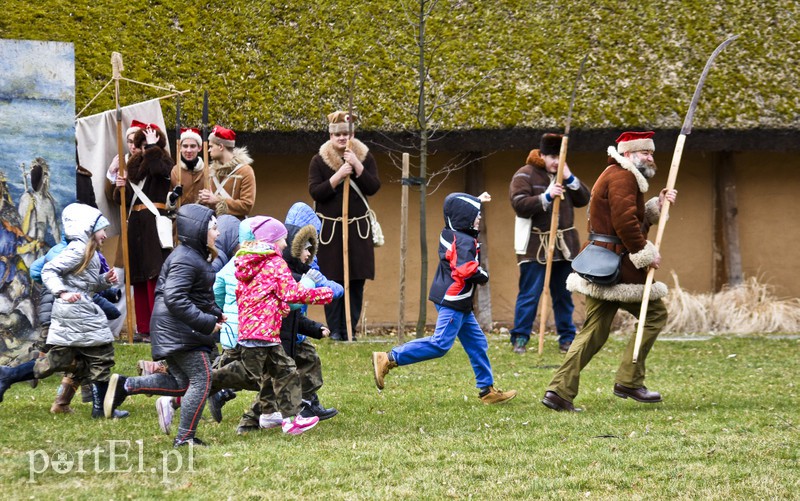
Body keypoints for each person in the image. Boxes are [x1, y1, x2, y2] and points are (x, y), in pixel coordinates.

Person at [542, 131, 677, 412]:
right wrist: (644, 253)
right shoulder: (623, 177)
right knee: (654, 314)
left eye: (651, 153)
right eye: (645, 153)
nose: (650, 158)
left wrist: (656, 205)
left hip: (603, 262)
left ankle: (559, 391)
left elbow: (628, 216)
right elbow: (624, 222)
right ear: (628, 154)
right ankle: (629, 381)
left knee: (594, 330)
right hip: (617, 264)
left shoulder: (619, 174)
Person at [371, 192, 517, 405]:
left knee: (477, 343)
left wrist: (476, 200)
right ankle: (389, 357)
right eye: (476, 215)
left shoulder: (450, 232)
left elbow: (455, 210)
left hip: (456, 300)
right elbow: (465, 268)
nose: (479, 218)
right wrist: (483, 275)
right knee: (440, 344)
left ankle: (487, 390)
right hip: (454, 299)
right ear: (465, 218)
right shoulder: (464, 241)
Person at [103, 204, 224, 447]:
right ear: (198, 230)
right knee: (202, 380)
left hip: (175, 330)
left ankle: (126, 385)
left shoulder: (191, 257)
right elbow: (175, 298)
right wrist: (205, 323)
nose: (217, 233)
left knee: (182, 384)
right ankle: (185, 438)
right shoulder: (186, 259)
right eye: (213, 227)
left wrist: (215, 314)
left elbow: (196, 296)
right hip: (181, 331)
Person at [0, 203, 129, 419]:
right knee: (101, 357)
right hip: (77, 315)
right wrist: (62, 292)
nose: (106, 235)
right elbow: (49, 270)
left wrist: (104, 280)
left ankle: (8, 375)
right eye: (102, 230)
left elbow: (85, 285)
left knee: (57, 360)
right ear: (87, 228)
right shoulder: (78, 250)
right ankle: (101, 410)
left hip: (75, 314)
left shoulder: (89, 253)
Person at [217, 216, 333, 435]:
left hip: (260, 332)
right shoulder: (275, 262)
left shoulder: (250, 262)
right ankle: (202, 384)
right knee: (247, 376)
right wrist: (325, 293)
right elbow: (292, 293)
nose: (286, 244)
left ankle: (286, 419)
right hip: (262, 334)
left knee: (286, 371)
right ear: (271, 240)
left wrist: (278, 308)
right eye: (282, 239)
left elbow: (256, 295)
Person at [508, 133, 590, 354]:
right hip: (535, 246)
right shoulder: (524, 174)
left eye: (560, 156)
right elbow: (519, 205)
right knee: (530, 294)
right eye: (552, 157)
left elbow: (584, 199)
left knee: (563, 294)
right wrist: (545, 196)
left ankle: (567, 338)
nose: (556, 161)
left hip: (564, 247)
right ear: (542, 155)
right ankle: (520, 338)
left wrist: (569, 177)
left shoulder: (564, 174)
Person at [308, 111, 381, 341]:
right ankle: (336, 330)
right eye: (337, 134)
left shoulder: (365, 157)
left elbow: (373, 187)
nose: (342, 138)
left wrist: (357, 165)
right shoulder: (319, 160)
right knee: (332, 278)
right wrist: (339, 174)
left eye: (346, 134)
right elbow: (316, 192)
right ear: (330, 136)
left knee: (356, 279)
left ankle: (351, 330)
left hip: (357, 231)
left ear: (352, 134)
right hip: (331, 232)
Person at [113, 124, 173, 342]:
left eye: (149, 143)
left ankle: (158, 326)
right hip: (135, 224)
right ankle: (144, 327)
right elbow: (123, 200)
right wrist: (119, 186)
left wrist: (152, 148)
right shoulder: (133, 166)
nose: (145, 147)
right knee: (137, 276)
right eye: (142, 143)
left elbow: (158, 171)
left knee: (154, 275)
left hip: (154, 223)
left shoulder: (163, 160)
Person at [197, 125, 255, 219]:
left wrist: (217, 200)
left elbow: (246, 206)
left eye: (211, 146)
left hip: (235, 225)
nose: (209, 150)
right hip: (213, 224)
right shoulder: (210, 171)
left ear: (221, 146)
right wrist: (204, 199)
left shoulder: (245, 171)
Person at [168, 127, 206, 209]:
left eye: (192, 146)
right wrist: (172, 198)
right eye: (185, 146)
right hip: (180, 215)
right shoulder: (174, 171)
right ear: (180, 148)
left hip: (203, 215)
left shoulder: (207, 171)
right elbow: (167, 204)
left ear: (199, 148)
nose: (188, 150)